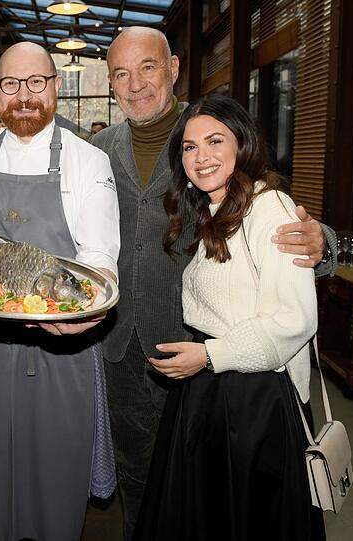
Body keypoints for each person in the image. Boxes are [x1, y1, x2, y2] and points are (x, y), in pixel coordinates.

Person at [89, 26, 336, 540]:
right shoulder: (95, 150)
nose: (134, 84)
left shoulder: (208, 130)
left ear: (174, 68)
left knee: (217, 496)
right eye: (120, 73)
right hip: (122, 345)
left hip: (208, 352)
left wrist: (324, 243)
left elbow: (278, 213)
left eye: (148, 68)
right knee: (152, 483)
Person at [0, 41, 120, 541]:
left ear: (56, 87)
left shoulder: (87, 161)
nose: (24, 96)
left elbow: (100, 256)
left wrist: (87, 311)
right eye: (11, 84)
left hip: (62, 344)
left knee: (55, 469)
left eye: (36, 82)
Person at [133, 93, 324, 541]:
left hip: (252, 400)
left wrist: (209, 355)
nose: (202, 157)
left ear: (242, 144)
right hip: (214, 389)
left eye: (215, 141)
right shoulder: (214, 209)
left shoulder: (269, 207)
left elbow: (294, 320)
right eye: (190, 147)